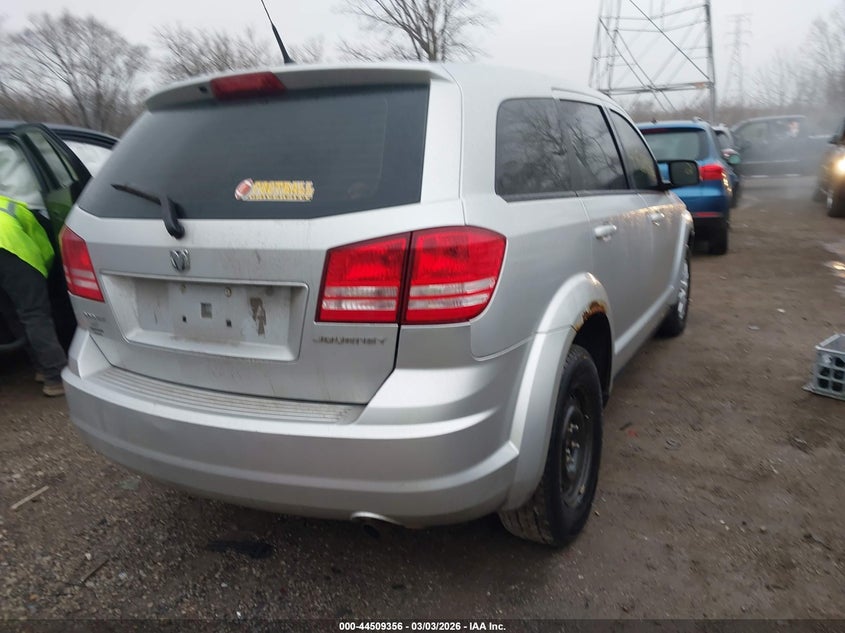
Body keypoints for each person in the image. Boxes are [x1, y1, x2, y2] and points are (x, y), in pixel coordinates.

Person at [0, 194, 66, 396]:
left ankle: (39, 367)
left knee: (11, 311)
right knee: (34, 313)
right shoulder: (14, 205)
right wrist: (44, 274)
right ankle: (56, 377)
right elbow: (44, 248)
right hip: (13, 254)